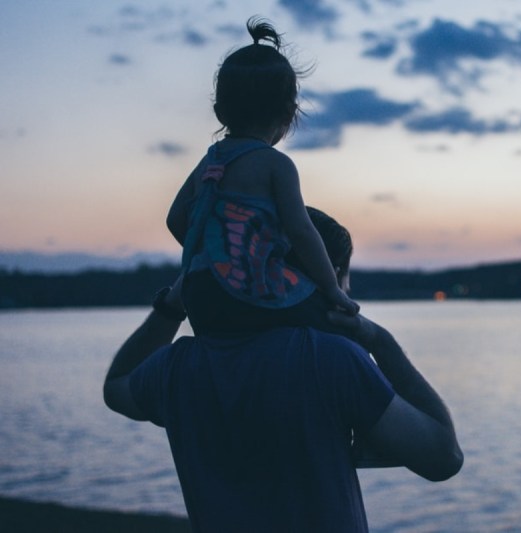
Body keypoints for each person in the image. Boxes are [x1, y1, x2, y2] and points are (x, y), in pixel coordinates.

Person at [103, 208, 463, 532]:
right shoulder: (330, 360)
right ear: (330, 278)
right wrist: (379, 341)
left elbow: (117, 387)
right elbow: (443, 458)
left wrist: (174, 303)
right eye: (345, 284)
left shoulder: (178, 367)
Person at [167, 17, 358, 337]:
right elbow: (301, 231)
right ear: (289, 113)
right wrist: (331, 288)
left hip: (198, 294)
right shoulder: (275, 164)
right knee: (334, 324)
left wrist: (214, 254)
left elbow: (175, 220)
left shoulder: (209, 162)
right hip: (251, 291)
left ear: (219, 112)